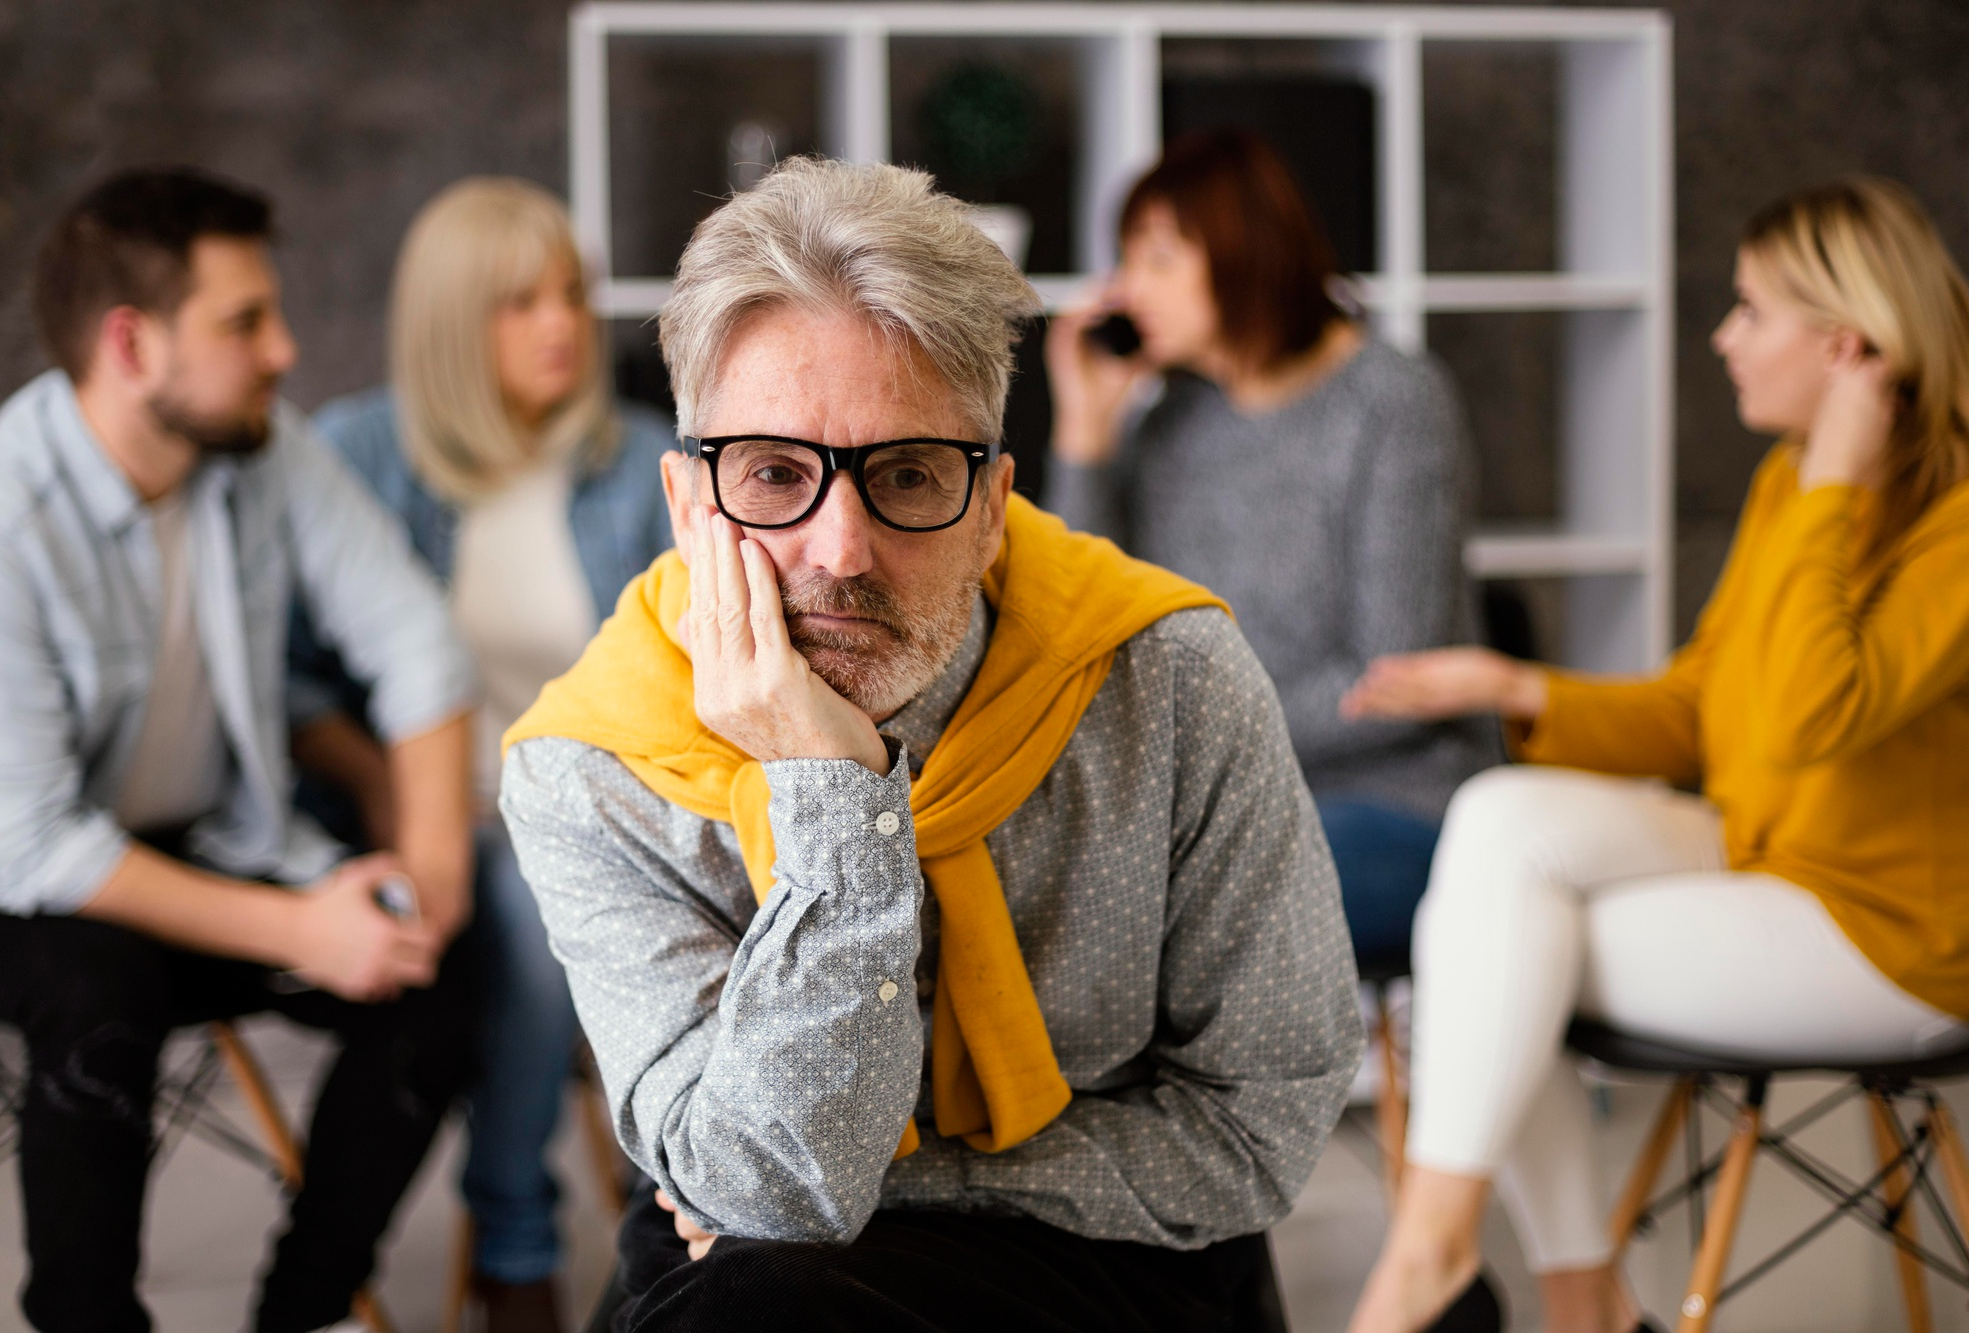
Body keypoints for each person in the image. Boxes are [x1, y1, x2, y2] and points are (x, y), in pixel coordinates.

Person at [497, 156, 1364, 1331]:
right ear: (686, 504)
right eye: (772, 474)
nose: (839, 550)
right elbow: (767, 1194)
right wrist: (828, 793)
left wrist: (917, 1179)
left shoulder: (1166, 676)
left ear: (994, 501)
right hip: (747, 1266)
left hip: (1118, 1254)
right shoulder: (591, 769)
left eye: (907, 473)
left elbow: (1258, 1126)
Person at [1338, 177, 1969, 1333]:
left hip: (1889, 935)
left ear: (1843, 343)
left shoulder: (1935, 519)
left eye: (1748, 311)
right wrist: (1514, 686)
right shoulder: (1789, 485)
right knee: (1495, 821)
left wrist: (1836, 484)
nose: (1723, 338)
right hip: (1760, 851)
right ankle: (1540, 1289)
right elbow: (1702, 711)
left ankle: (1469, 1271)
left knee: (1485, 955)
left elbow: (1815, 715)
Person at [0, 168, 480, 1333]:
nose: (285, 349)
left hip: (206, 841)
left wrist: (433, 873)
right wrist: (305, 930)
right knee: (99, 981)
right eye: (245, 321)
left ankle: (299, 1312)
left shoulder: (263, 449)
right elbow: (36, 844)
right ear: (131, 344)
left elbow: (413, 640)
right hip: (15, 882)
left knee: (435, 967)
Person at [290, 177, 676, 1332]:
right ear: (451, 321)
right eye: (519, 302)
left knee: (560, 891)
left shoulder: (643, 462)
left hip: (607, 813)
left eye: (569, 292)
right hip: (424, 818)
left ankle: (684, 1208)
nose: (562, 324)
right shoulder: (349, 452)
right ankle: (515, 1238)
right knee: (525, 908)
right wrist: (382, 786)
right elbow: (292, 682)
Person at [1043, 128, 1500, 965]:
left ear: (1242, 250)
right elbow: (1081, 609)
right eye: (1125, 259)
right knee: (1053, 887)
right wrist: (1086, 426)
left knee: (1144, 918)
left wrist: (1196, 751)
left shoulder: (1391, 404)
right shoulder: (1172, 423)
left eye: (1157, 259)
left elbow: (1392, 674)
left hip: (1396, 799)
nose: (1123, 288)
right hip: (1220, 801)